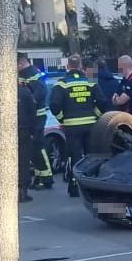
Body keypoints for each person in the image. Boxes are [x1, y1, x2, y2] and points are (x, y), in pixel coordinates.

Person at [49, 54, 106, 197]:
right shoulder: (90, 82)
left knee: (74, 156)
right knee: (91, 156)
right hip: (90, 125)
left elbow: (54, 105)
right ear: (80, 66)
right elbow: (102, 102)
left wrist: (62, 119)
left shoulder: (61, 84)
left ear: (68, 66)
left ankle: (75, 186)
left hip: (72, 127)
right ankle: (92, 185)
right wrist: (96, 115)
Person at [17, 53, 54, 189]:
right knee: (32, 148)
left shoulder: (33, 74)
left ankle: (47, 177)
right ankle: (39, 176)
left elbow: (40, 92)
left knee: (38, 146)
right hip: (29, 117)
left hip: (37, 116)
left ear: (21, 63)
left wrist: (30, 102)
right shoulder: (24, 74)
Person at [17, 77, 37, 203]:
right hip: (23, 131)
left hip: (6, 133)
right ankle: (23, 192)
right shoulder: (25, 92)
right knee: (23, 161)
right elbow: (32, 112)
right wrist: (33, 132)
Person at [112, 55, 132, 122]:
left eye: (119, 66)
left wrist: (117, 98)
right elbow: (114, 100)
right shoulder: (123, 81)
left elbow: (120, 101)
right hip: (122, 120)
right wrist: (116, 98)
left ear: (125, 66)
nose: (118, 69)